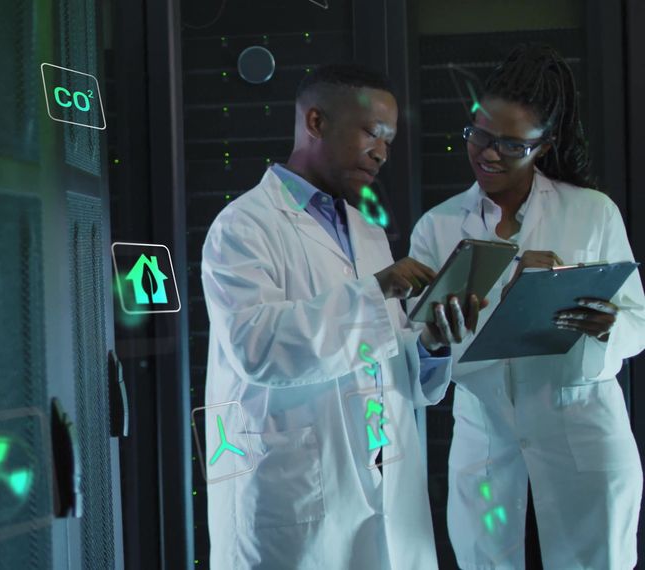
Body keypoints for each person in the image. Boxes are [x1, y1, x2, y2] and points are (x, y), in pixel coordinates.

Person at [202, 63, 483, 569]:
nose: (382, 151)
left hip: (380, 486)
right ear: (316, 123)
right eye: (371, 133)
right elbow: (257, 348)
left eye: (390, 140)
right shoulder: (242, 227)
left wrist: (429, 346)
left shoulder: (366, 231)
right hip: (296, 498)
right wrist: (377, 292)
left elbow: (379, 358)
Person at [409, 43, 645, 569]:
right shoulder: (439, 227)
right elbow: (413, 356)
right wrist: (433, 339)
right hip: (486, 447)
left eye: (511, 146)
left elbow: (638, 322)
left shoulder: (591, 212)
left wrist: (605, 325)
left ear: (545, 144)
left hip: (583, 441)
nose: (488, 154)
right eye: (479, 135)